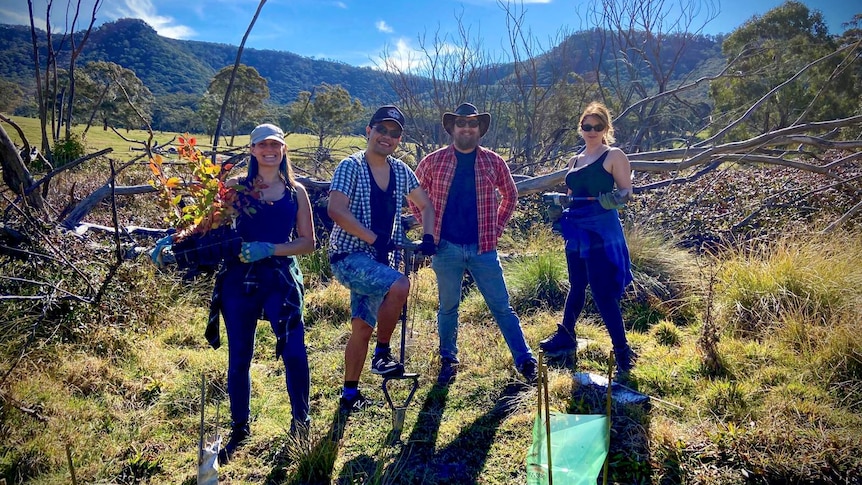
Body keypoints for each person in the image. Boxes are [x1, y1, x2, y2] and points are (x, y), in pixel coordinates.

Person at [152, 123, 316, 463]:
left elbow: (308, 242)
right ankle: (240, 427)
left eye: (276, 144)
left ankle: (301, 422)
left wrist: (269, 248)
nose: (269, 150)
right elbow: (204, 225)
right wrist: (175, 238)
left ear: (283, 149)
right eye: (262, 145)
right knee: (239, 356)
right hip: (238, 280)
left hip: (280, 279)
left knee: (295, 352)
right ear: (253, 150)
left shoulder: (296, 192)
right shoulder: (234, 188)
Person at [411, 102, 538, 386]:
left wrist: (495, 228)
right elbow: (413, 195)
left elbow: (510, 195)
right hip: (446, 247)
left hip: (483, 248)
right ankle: (448, 359)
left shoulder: (494, 161)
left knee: (501, 306)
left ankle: (524, 360)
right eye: (461, 124)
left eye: (472, 124)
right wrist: (429, 230)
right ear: (452, 128)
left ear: (479, 129)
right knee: (448, 306)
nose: (467, 128)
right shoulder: (433, 161)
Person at [327, 105, 436, 413]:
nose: (387, 137)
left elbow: (425, 206)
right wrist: (373, 238)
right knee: (400, 285)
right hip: (349, 257)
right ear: (369, 131)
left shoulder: (401, 171)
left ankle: (350, 395)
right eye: (381, 130)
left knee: (362, 327)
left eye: (394, 133)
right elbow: (336, 210)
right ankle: (383, 354)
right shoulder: (351, 166)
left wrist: (427, 238)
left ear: (399, 140)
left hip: (378, 261)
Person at [538, 101, 636, 377]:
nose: (591, 131)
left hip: (600, 231)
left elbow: (627, 192)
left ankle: (622, 350)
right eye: (587, 126)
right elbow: (572, 196)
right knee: (577, 284)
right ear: (580, 128)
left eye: (597, 126)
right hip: (576, 230)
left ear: (606, 128)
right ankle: (566, 335)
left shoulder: (614, 155)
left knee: (603, 292)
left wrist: (614, 199)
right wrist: (560, 206)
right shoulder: (575, 160)